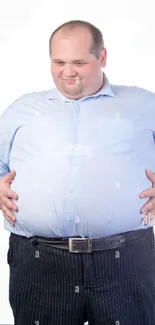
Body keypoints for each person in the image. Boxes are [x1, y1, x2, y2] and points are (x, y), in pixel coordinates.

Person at [1, 19, 155, 325]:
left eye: (79, 62)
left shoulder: (145, 105)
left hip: (126, 263)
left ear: (103, 58)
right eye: (58, 62)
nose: (67, 72)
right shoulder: (22, 110)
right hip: (40, 264)